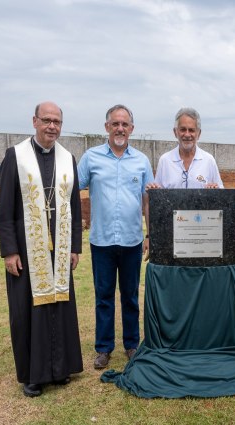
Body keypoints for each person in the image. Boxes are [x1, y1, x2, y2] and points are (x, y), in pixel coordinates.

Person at [0, 101, 83, 398]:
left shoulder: (67, 158)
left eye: (57, 121)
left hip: (58, 248)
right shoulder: (15, 156)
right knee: (28, 311)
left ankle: (60, 369)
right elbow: (4, 208)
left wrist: (74, 247)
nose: (52, 126)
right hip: (26, 248)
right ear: (34, 121)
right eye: (46, 120)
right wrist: (9, 250)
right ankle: (33, 375)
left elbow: (74, 206)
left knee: (59, 306)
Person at [77, 105, 154, 370]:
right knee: (104, 296)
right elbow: (72, 187)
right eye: (115, 124)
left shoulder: (142, 161)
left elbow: (147, 200)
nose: (120, 128)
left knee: (131, 295)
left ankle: (132, 344)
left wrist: (149, 234)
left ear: (132, 128)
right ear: (107, 126)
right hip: (102, 241)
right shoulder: (91, 157)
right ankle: (104, 348)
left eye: (125, 124)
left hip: (132, 240)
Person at [147, 107, 223, 189]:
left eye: (191, 130)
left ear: (199, 133)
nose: (187, 135)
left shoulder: (209, 160)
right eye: (183, 129)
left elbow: (221, 194)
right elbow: (158, 195)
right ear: (175, 132)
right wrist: (153, 189)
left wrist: (215, 189)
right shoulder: (165, 160)